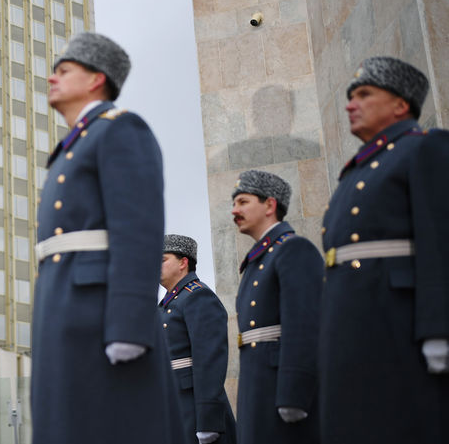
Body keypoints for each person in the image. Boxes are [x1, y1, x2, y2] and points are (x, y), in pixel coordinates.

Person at [30, 32, 183, 443]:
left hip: (96, 310)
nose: (52, 78)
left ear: (96, 78)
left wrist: (129, 325)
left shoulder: (119, 129)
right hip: (62, 304)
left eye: (64, 70)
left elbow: (138, 229)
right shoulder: (76, 142)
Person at [319, 56, 449, 443]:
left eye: (364, 94)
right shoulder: (355, 170)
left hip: (398, 325)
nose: (349, 104)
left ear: (400, 104)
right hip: (352, 327)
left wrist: (439, 328)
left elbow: (440, 240)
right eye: (350, 96)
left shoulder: (424, 149)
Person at [231, 170, 321, 444]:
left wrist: (294, 394)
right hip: (257, 389)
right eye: (234, 204)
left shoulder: (293, 250)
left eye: (243, 202)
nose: (234, 211)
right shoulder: (257, 261)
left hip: (280, 388)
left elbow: (306, 326)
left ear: (270, 205)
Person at [159, 234, 236, 444]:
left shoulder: (197, 296)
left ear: (183, 262)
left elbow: (209, 362)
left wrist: (208, 422)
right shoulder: (168, 303)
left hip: (193, 410)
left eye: (163, 260)